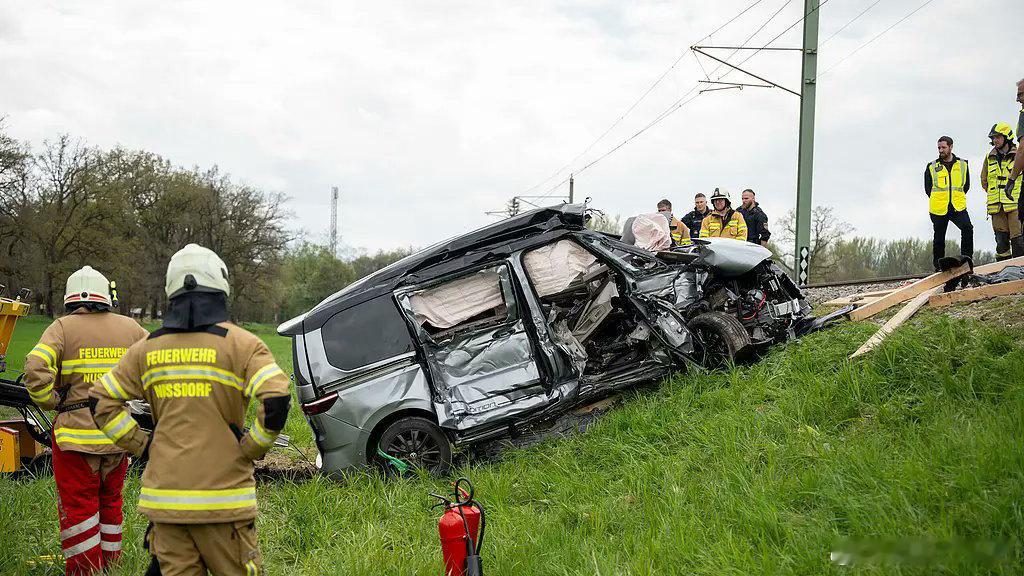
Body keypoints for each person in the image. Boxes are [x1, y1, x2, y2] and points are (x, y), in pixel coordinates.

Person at [90, 244, 291, 576]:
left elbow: (101, 402)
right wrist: (252, 447)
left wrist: (143, 445)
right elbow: (277, 398)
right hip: (225, 505)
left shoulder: (145, 349)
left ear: (171, 289)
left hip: (166, 505)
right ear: (220, 284)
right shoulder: (242, 344)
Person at [24, 266, 148, 575]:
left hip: (76, 439)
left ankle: (84, 570)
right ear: (106, 296)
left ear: (69, 298)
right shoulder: (131, 328)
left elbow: (35, 368)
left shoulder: (62, 327)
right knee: (110, 503)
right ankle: (110, 566)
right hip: (118, 436)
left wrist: (52, 401)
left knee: (80, 510)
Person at [924, 136, 974, 269]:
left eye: (943, 147)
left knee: (968, 229)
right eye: (939, 148)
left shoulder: (963, 164)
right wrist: (941, 199)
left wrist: (956, 197)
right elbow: (928, 188)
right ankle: (939, 266)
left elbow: (966, 185)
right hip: (939, 207)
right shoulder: (932, 166)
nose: (940, 150)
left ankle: (966, 261)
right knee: (939, 238)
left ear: (951, 147)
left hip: (957, 206)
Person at [981, 123, 1022, 259]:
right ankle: (1003, 272)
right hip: (996, 206)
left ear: (1006, 137)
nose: (995, 140)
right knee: (1001, 242)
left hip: (1015, 205)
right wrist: (994, 194)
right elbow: (984, 180)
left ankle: (1020, 273)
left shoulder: (1019, 155)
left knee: (1019, 241)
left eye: (998, 137)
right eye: (993, 138)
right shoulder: (989, 157)